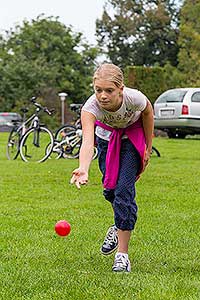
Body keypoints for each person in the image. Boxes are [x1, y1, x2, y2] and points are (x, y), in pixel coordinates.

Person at [70, 63, 154, 272]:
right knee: (111, 191)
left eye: (109, 90)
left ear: (120, 89)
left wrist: (147, 148)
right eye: (98, 90)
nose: (103, 96)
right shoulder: (90, 108)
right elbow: (88, 141)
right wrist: (83, 167)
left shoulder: (134, 98)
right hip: (107, 140)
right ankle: (118, 225)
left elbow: (148, 113)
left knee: (124, 191)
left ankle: (122, 255)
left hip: (131, 138)